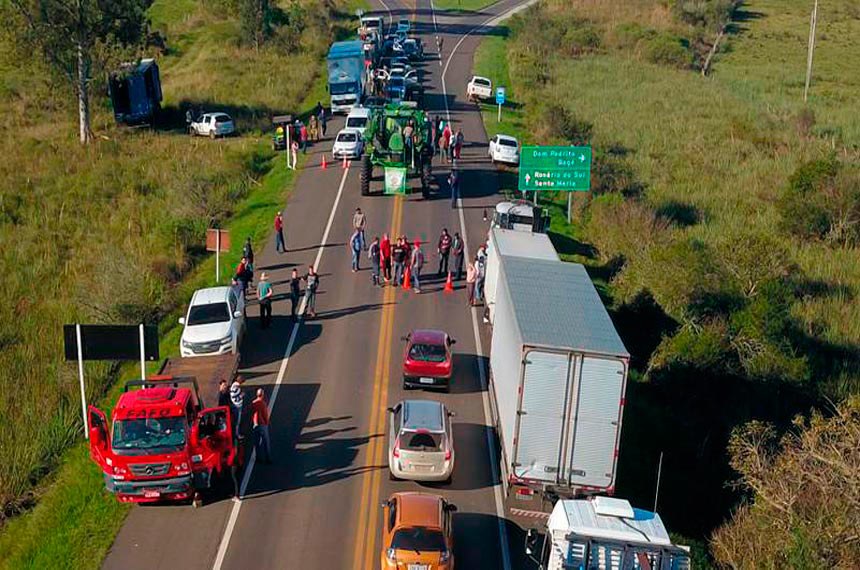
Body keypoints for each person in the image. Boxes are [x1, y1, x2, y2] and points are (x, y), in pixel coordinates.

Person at [251, 389, 272, 464]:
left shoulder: (253, 403)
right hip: (262, 424)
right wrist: (267, 422)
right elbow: (265, 414)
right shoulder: (263, 404)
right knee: (266, 442)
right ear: (262, 395)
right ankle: (268, 458)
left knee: (256, 442)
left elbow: (251, 413)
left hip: (255, 424)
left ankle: (258, 458)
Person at [229, 375, 245, 440]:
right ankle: (237, 434)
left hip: (238, 405)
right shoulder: (235, 388)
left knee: (237, 421)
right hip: (237, 406)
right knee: (237, 421)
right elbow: (234, 398)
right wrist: (241, 396)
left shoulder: (236, 386)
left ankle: (237, 433)